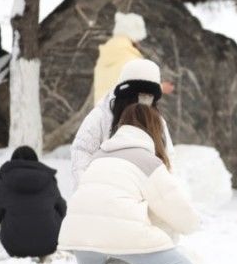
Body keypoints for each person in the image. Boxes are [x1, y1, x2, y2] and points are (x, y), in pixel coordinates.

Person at [58, 104, 213, 264]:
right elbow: (172, 203)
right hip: (120, 232)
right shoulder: (146, 160)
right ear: (154, 129)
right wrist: (193, 223)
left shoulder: (100, 156)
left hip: (80, 230)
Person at [72, 59, 173, 188]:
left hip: (141, 194)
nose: (144, 101)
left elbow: (167, 160)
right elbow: (82, 152)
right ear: (127, 95)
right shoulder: (102, 116)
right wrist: (89, 187)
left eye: (149, 96)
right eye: (141, 95)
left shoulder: (157, 122)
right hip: (104, 189)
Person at [0, 146, 66, 258]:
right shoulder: (48, 179)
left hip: (14, 246)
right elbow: (62, 208)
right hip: (49, 243)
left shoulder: (5, 179)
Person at [93, 12, 145, 104]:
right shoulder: (130, 58)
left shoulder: (105, 56)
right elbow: (141, 89)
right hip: (124, 114)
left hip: (102, 113)